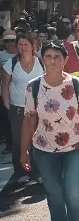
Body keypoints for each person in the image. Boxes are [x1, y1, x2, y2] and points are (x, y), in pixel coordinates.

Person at [20, 41, 79, 221]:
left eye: (57, 57)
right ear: (42, 59)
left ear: (65, 60)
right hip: (44, 148)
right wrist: (23, 149)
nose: (52, 61)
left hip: (77, 146)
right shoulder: (33, 87)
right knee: (54, 193)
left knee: (73, 191)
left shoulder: (77, 85)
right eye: (48, 56)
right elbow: (29, 119)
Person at [2, 32, 44, 183]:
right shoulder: (11, 63)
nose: (23, 47)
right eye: (20, 44)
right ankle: (21, 172)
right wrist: (7, 104)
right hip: (18, 108)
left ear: (33, 46)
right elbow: (5, 85)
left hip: (38, 108)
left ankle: (37, 172)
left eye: (26, 44)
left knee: (38, 139)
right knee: (18, 140)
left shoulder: (41, 62)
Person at [0, 31, 18, 153]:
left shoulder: (21, 54)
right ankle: (10, 144)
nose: (10, 43)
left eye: (12, 40)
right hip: (3, 91)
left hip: (19, 92)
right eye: (7, 41)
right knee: (5, 119)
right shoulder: (0, 55)